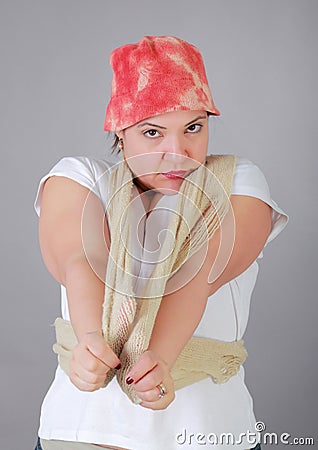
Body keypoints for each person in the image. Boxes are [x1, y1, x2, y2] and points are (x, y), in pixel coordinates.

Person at [33, 36, 288, 450]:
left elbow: (201, 269)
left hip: (207, 434)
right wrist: (92, 339)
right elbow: (82, 259)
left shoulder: (236, 183)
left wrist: (162, 358)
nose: (177, 152)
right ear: (121, 131)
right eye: (153, 132)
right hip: (83, 434)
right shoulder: (81, 178)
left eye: (193, 127)